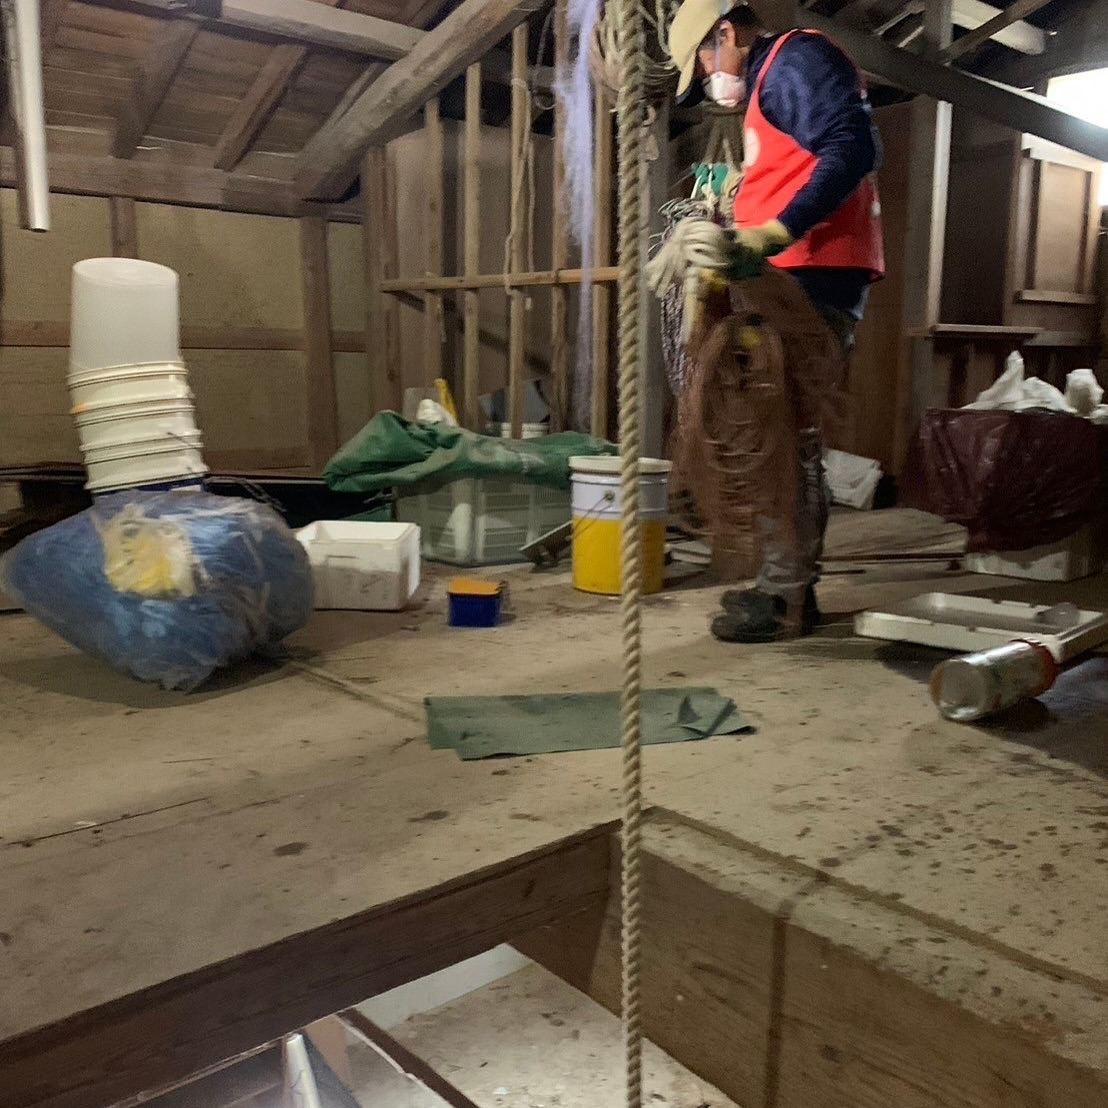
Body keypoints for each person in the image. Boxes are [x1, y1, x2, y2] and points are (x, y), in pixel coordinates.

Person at [668, 0, 885, 643]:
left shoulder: (796, 59)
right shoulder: (772, 80)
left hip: (809, 273)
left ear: (726, 32)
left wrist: (774, 232)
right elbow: (798, 165)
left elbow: (852, 147)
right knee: (775, 432)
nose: (705, 75)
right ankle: (782, 586)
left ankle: (786, 597)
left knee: (782, 437)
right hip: (790, 272)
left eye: (702, 60)